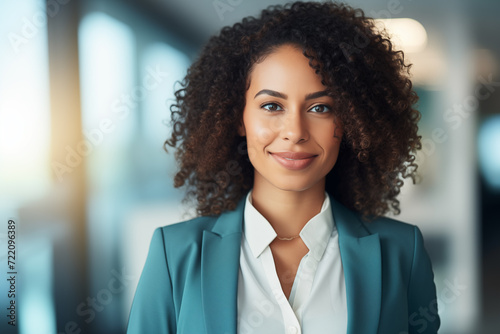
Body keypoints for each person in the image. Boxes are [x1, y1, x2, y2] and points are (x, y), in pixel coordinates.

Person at [126, 1, 440, 333]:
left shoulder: (403, 251)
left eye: (320, 107)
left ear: (351, 121)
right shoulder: (174, 254)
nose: (295, 132)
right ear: (238, 117)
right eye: (272, 105)